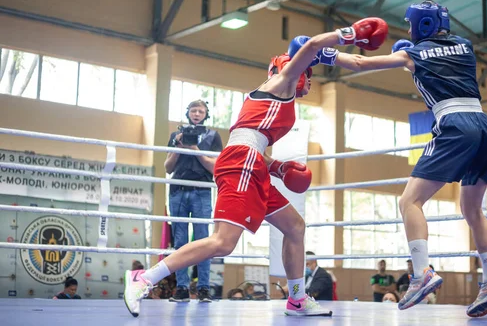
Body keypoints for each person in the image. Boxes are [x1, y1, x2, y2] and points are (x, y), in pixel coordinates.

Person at [123, 16, 388, 318]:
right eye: (307, 73)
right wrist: (349, 34)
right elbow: (313, 43)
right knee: (223, 242)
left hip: (251, 163)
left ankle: (298, 299)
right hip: (241, 164)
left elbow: (251, 141)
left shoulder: (273, 95)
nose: (309, 80)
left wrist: (278, 169)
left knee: (295, 227)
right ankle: (143, 279)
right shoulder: (282, 81)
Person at [312, 1, 487, 317]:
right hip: (486, 128)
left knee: (409, 202)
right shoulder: (465, 46)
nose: (408, 30)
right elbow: (442, 72)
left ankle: (421, 273)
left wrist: (325, 54)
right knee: (471, 209)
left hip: (455, 124)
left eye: (411, 24)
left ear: (424, 26)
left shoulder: (413, 54)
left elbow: (361, 63)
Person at [164, 99, 223, 303]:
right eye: (193, 110)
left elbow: (215, 169)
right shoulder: (176, 135)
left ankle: (204, 288)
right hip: (178, 190)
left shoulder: (213, 136)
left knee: (204, 241)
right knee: (179, 241)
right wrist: (179, 147)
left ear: (206, 114)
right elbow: (168, 167)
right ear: (187, 112)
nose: (196, 113)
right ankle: (181, 289)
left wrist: (195, 149)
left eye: (201, 111)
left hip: (202, 191)